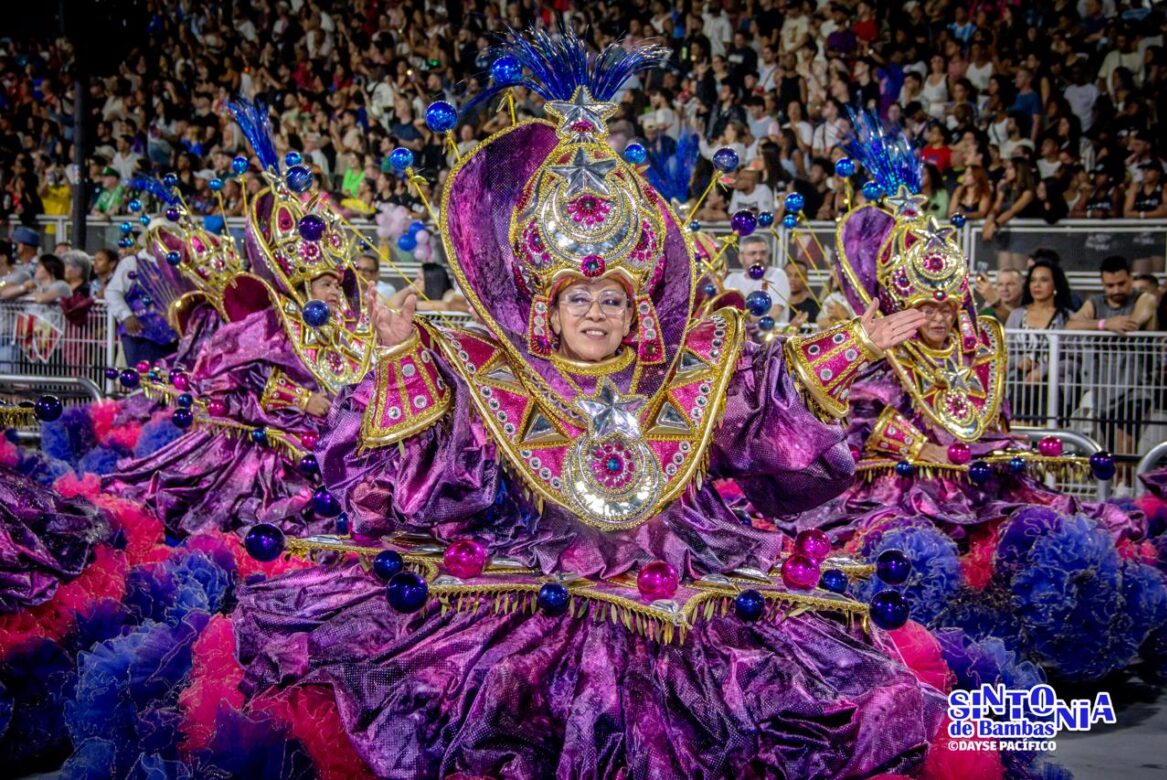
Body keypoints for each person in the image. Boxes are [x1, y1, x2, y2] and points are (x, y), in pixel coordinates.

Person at [216, 39, 959, 780]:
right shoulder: (492, 373)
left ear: (636, 307)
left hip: (689, 577)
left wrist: (855, 341)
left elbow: (767, 404)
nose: (597, 314)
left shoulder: (688, 368)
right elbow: (417, 485)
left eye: (611, 299)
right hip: (527, 587)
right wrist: (404, 355)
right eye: (580, 298)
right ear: (548, 306)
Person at [791, 132, 1161, 684]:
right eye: (925, 307)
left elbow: (991, 417)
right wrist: (930, 449)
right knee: (902, 552)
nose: (938, 317)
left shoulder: (981, 350)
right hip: (906, 484)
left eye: (945, 306)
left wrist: (1002, 448)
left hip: (982, 479)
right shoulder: (886, 355)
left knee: (1041, 534)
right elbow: (866, 419)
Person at [108, 119, 376, 539]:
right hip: (270, 443)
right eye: (326, 284)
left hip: (327, 438)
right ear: (301, 285)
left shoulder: (342, 325)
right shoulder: (266, 326)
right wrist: (302, 399)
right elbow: (230, 381)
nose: (335, 292)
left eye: (336, 284)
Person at [1067, 255, 1158, 456]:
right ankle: (1118, 486)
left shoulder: (1144, 298)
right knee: (1110, 449)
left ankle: (1123, 488)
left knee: (1124, 442)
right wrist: (1104, 324)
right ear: (1102, 283)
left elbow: (1133, 322)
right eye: (1109, 285)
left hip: (1137, 387)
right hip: (1104, 390)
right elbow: (1071, 325)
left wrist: (1122, 323)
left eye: (1121, 284)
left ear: (1131, 279)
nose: (1115, 290)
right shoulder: (1095, 302)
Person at [1005, 258, 1078, 425]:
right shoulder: (1016, 315)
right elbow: (1005, 352)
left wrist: (1044, 370)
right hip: (1019, 386)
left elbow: (1074, 361)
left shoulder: (1067, 318)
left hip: (1052, 391)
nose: (1037, 285)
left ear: (1055, 285)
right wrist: (1020, 361)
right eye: (1033, 280)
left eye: (1044, 280)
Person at [722, 234, 791, 322]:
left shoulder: (777, 274)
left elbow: (775, 310)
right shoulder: (731, 279)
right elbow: (723, 309)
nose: (758, 257)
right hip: (739, 333)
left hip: (771, 334)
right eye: (752, 253)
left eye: (763, 253)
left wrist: (744, 322)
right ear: (741, 257)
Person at [0, 226, 40, 300]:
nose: (12, 247)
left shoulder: (38, 264)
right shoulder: (21, 265)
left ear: (21, 246)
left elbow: (4, 285)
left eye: (14, 244)